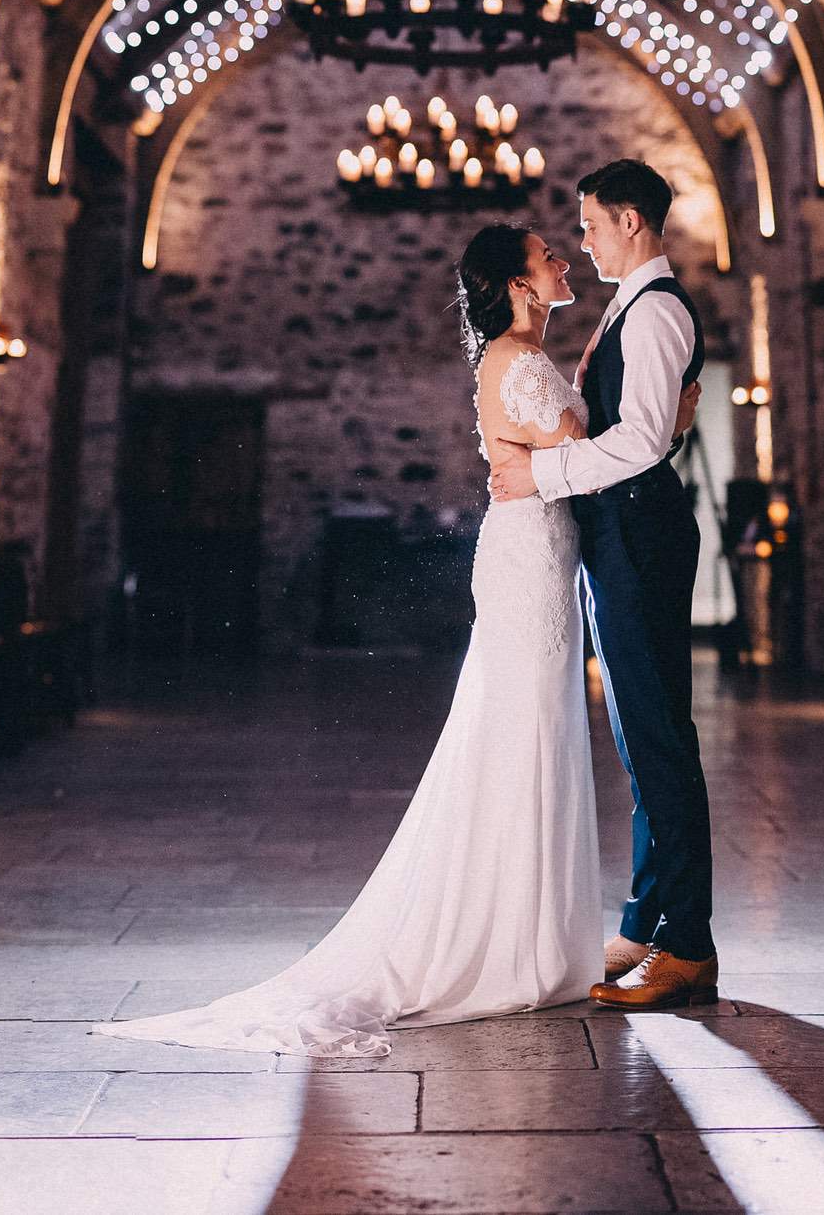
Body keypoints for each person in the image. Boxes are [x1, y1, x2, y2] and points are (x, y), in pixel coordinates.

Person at [97, 217, 690, 1062]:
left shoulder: (535, 359)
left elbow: (577, 455)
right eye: (548, 256)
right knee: (518, 738)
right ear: (520, 284)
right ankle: (500, 948)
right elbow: (596, 455)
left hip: (544, 555)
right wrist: (663, 429)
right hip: (527, 566)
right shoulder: (515, 364)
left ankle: (533, 940)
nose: (565, 261)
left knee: (540, 735)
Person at [487, 157, 717, 1011]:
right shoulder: (630, 307)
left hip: (643, 534)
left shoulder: (654, 312)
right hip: (619, 534)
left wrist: (541, 480)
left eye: (588, 223)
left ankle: (688, 946)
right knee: (637, 735)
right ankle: (648, 917)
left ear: (630, 220)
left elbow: (643, 442)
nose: (581, 241)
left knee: (660, 738)